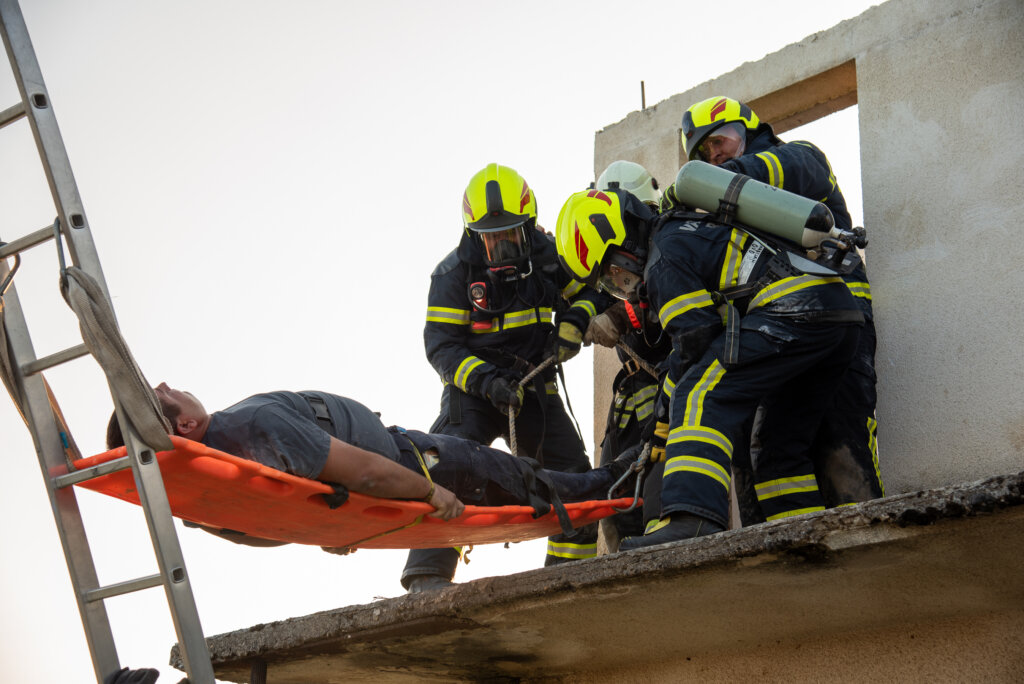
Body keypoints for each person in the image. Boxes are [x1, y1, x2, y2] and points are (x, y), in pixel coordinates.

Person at [554, 179, 864, 548]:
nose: (622, 286)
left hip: (793, 311)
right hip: (834, 313)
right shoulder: (685, 229)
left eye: (615, 274)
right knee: (774, 444)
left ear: (624, 244)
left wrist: (666, 412)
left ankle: (694, 518)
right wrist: (662, 419)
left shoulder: (663, 258)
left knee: (700, 394)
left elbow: (694, 339)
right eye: (610, 286)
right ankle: (803, 538)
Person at [668, 96, 884, 522]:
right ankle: (795, 551)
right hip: (779, 334)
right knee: (764, 453)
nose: (715, 153)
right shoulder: (730, 217)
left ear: (749, 131)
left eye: (721, 139)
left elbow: (788, 169)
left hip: (840, 324)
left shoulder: (799, 159)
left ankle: (869, 557)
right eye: (704, 153)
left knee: (840, 438)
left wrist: (713, 181)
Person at [407, 163, 610, 592]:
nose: (500, 244)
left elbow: (594, 290)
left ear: (529, 222)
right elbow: (441, 349)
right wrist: (484, 382)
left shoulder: (549, 255)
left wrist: (574, 322)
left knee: (576, 478)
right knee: (441, 465)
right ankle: (427, 577)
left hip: (535, 389)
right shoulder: (452, 276)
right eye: (490, 236)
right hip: (474, 393)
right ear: (473, 233)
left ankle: (565, 578)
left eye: (509, 233)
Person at [105, 385, 639, 539]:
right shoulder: (252, 425)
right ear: (181, 428)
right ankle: (627, 481)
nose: (169, 386)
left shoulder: (202, 502)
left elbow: (273, 527)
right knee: (527, 481)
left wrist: (336, 526)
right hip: (416, 466)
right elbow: (360, 471)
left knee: (529, 486)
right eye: (164, 398)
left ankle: (614, 489)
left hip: (388, 492)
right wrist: (429, 493)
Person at [586, 161, 671, 547]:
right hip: (631, 396)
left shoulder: (664, 237)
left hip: (670, 385)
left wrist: (617, 318)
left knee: (660, 481)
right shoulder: (609, 250)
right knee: (612, 492)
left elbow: (654, 293)